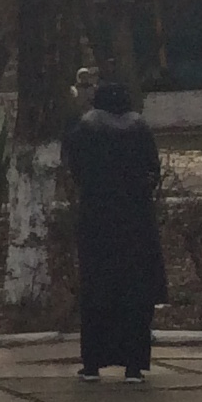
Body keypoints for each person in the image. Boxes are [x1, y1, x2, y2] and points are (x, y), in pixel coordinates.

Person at [63, 80, 167, 381]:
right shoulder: (140, 128)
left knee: (97, 291)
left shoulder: (86, 129)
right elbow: (152, 171)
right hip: (137, 223)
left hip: (97, 222)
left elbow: (76, 168)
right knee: (136, 292)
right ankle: (134, 366)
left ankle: (93, 364)